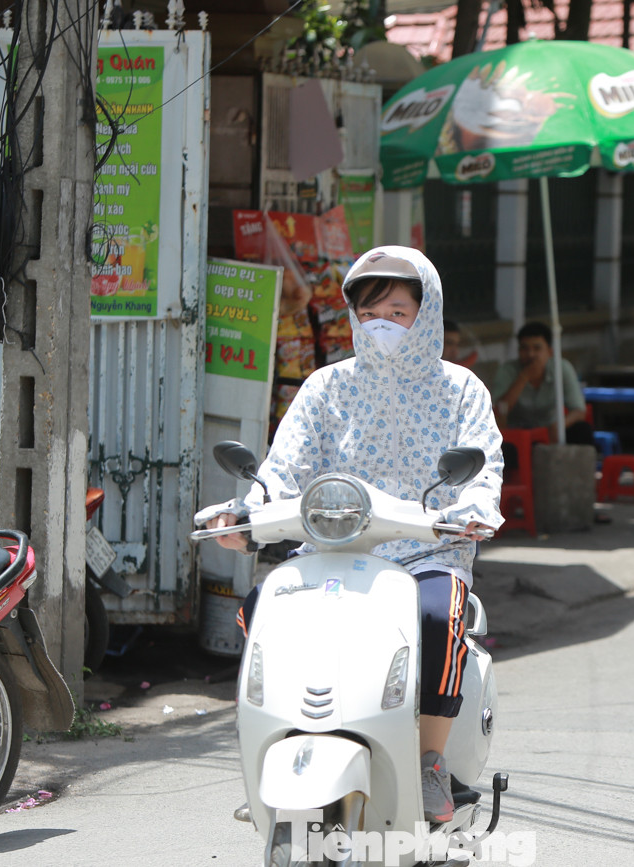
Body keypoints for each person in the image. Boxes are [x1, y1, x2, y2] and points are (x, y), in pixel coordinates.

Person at [198, 245, 504, 823]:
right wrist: (244, 514)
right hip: (334, 552)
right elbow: (280, 471)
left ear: (426, 312)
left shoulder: (462, 390)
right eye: (368, 312)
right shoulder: (324, 388)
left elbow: (484, 469)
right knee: (264, 602)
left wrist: (475, 507)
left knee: (440, 614)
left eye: (396, 309)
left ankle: (430, 759)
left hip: (428, 550)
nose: (381, 323)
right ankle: (281, 741)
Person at [490, 320, 594, 460]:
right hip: (520, 434)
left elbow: (578, 410)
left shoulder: (561, 368)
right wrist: (523, 377)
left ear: (549, 352)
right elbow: (500, 410)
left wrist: (561, 425)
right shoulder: (507, 371)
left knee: (582, 430)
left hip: (551, 430)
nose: (530, 354)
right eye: (524, 348)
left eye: (537, 348)